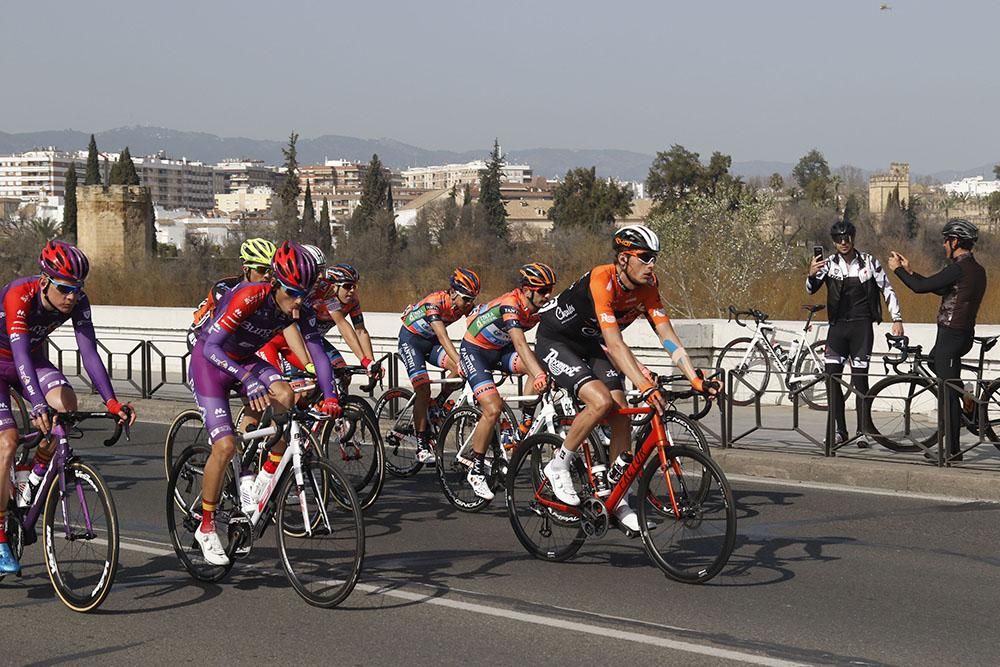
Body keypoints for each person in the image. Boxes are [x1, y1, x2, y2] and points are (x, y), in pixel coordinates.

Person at [533, 224, 718, 534]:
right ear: (623, 259)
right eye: (644, 257)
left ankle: (618, 502)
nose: (652, 265)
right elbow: (616, 344)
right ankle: (559, 463)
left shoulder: (648, 286)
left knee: (620, 416)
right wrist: (645, 386)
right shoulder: (601, 280)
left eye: (655, 258)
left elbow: (666, 334)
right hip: (557, 341)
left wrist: (694, 378)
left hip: (592, 345)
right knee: (601, 401)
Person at [189, 241, 340, 566]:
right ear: (275, 283)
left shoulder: (300, 306)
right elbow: (212, 348)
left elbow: (318, 353)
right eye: (292, 293)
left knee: (287, 397)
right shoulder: (249, 296)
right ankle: (206, 526)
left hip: (244, 359)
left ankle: (263, 475)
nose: (298, 302)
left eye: (305, 293)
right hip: (210, 363)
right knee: (226, 446)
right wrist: (246, 379)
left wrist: (330, 397)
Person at [0, 241, 136, 573]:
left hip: (30, 362)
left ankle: (33, 475)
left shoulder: (76, 301)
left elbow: (89, 353)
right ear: (45, 281)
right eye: (64, 289)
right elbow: (18, 356)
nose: (72, 297)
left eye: (78, 289)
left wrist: (112, 400)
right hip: (7, 361)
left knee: (65, 403)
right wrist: (35, 404)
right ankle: (0, 535)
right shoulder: (20, 294)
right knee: (7, 443)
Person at [889, 218, 987, 463]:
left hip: (951, 336)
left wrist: (898, 270)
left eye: (946, 240)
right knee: (937, 368)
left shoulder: (958, 268)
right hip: (961, 335)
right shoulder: (976, 270)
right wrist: (912, 271)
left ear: (955, 242)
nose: (943, 245)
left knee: (946, 395)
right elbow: (938, 287)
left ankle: (951, 452)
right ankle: (965, 394)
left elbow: (920, 288)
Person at [459, 263, 556, 500]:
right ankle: (477, 469)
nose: (548, 295)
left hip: (501, 351)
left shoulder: (541, 306)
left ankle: (524, 424)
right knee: (492, 408)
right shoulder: (510, 304)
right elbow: (521, 345)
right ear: (526, 290)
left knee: (540, 368)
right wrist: (540, 375)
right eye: (542, 290)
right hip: (476, 352)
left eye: (550, 289)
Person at [807, 219, 904, 447]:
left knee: (860, 381)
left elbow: (887, 289)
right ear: (833, 241)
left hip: (861, 327)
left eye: (847, 238)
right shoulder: (829, 264)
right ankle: (840, 431)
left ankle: (864, 430)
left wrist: (897, 318)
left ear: (853, 238)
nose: (843, 242)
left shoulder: (869, 262)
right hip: (838, 328)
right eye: (839, 239)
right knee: (832, 380)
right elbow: (811, 290)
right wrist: (811, 273)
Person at [398, 268, 480, 464]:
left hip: (430, 343)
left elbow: (476, 327)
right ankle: (421, 445)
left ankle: (439, 403)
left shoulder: (464, 304)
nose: (468, 304)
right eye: (466, 299)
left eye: (472, 299)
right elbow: (443, 337)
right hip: (411, 342)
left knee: (465, 370)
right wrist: (459, 361)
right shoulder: (434, 302)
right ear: (453, 293)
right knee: (423, 389)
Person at [257, 263, 382, 385]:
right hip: (294, 342)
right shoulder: (318, 294)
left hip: (315, 340)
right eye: (348, 286)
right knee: (305, 388)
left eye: (355, 286)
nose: (352, 291)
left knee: (342, 374)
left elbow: (355, 329)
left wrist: (369, 362)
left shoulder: (347, 301)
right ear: (334, 286)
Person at [187, 238, 277, 349]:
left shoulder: (271, 289)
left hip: (233, 339)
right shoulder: (224, 287)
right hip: (200, 336)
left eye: (271, 271)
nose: (267, 276)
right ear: (245, 269)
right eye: (261, 270)